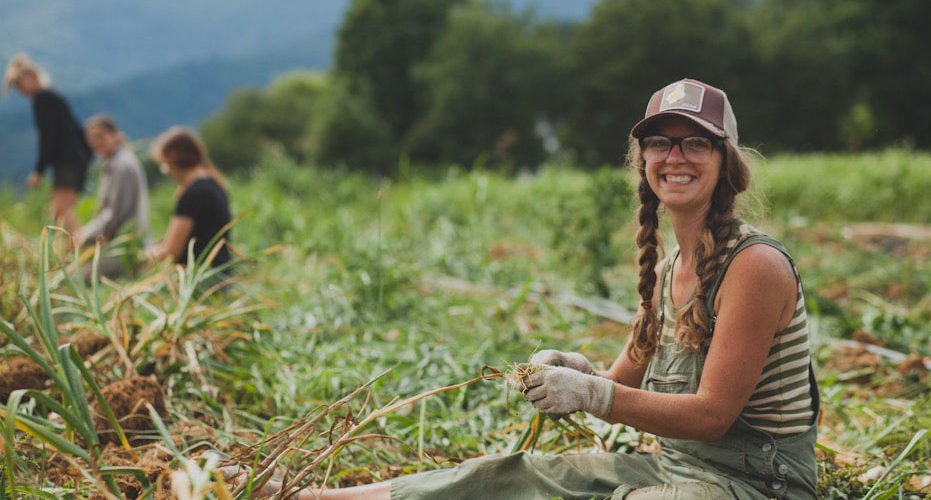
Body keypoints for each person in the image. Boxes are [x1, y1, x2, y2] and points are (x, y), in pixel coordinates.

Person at [227, 78, 819, 499]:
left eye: (696, 142)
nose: (675, 157)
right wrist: (572, 370)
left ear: (726, 161)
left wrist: (587, 395)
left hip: (756, 483)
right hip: (678, 469)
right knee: (518, 475)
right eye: (660, 142)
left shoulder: (754, 266)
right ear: (643, 160)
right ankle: (311, 499)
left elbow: (713, 415)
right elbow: (620, 383)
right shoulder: (670, 270)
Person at [2, 54, 93, 234]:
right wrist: (87, 157)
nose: (19, 90)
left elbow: (48, 136)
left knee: (61, 211)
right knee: (61, 212)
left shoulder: (42, 99)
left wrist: (39, 170)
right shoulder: (51, 96)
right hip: (75, 160)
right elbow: (76, 130)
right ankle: (74, 250)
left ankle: (82, 246)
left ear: (32, 77)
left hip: (67, 162)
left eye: (19, 84)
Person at [75, 114, 152, 278]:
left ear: (115, 134)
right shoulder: (113, 162)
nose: (96, 143)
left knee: (75, 278)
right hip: (119, 243)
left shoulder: (122, 166)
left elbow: (113, 217)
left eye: (100, 137)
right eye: (91, 139)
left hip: (126, 248)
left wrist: (85, 236)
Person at [144, 126, 232, 268]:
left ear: (174, 162)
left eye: (165, 166)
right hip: (219, 271)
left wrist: (145, 255)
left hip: (200, 278)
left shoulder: (193, 195)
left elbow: (171, 251)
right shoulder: (214, 184)